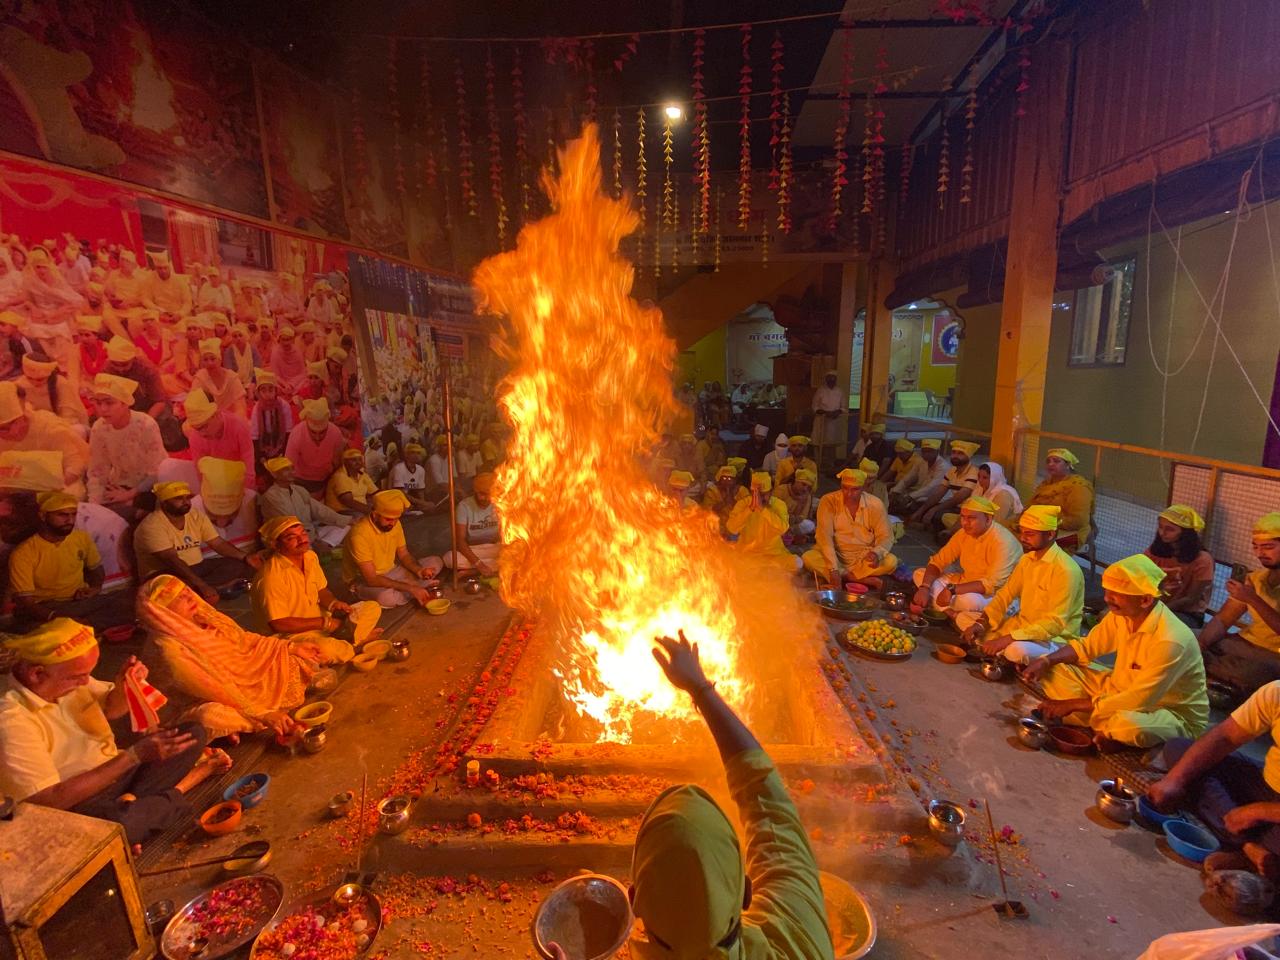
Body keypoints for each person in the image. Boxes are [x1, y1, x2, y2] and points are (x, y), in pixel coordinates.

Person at [621, 631, 832, 960]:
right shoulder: (799, 937)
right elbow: (767, 801)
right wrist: (700, 688)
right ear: (746, 892)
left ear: (634, 901)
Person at [0, 619, 225, 849]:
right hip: (79, 802)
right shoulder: (10, 719)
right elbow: (48, 801)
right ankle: (178, 791)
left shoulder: (66, 678)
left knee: (192, 733)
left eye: (88, 673)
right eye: (77, 676)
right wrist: (133, 756)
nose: (86, 681)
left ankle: (138, 804)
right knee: (119, 823)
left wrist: (124, 685)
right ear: (37, 674)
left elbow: (111, 709)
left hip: (118, 772)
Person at [1022, 554, 1208, 751]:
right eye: (1107, 592)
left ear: (1145, 600)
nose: (1106, 599)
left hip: (1166, 713)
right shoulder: (1121, 615)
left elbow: (1139, 700)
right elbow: (1086, 647)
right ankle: (1101, 725)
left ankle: (1104, 725)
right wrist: (1046, 661)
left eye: (1115, 594)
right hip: (1116, 690)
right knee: (1055, 671)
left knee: (1127, 725)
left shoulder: (1171, 640)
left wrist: (1072, 704)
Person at [136, 576, 320, 743]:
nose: (191, 597)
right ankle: (250, 722)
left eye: (187, 591)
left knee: (295, 659)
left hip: (241, 681)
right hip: (206, 698)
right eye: (179, 598)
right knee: (210, 717)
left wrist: (289, 647)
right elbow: (214, 688)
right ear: (162, 612)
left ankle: (243, 727)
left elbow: (244, 639)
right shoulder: (168, 650)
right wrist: (262, 713)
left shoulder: (204, 616)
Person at [1148, 681, 1280, 878]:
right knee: (1180, 750)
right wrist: (1173, 780)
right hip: (1266, 783)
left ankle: (1242, 843)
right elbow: (1225, 737)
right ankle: (1250, 847)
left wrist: (1257, 811)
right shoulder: (1277, 692)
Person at [963, 505, 1085, 664]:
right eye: (1022, 532)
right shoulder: (1027, 559)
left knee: (1017, 651)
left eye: (1030, 534)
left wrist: (1007, 639)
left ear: (1050, 534)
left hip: (1053, 639)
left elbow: (1054, 624)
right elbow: (1006, 594)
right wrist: (981, 622)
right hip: (1022, 628)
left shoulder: (1067, 570)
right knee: (966, 620)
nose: (1022, 538)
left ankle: (1010, 652)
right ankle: (1002, 650)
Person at [250, 516, 379, 653]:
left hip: (323, 624)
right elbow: (279, 624)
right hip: (292, 636)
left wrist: (334, 604)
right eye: (291, 538)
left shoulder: (310, 557)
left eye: (303, 533)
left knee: (372, 607)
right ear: (275, 544)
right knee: (326, 649)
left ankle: (348, 639)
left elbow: (321, 590)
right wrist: (324, 623)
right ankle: (355, 642)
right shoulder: (271, 577)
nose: (302, 540)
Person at [133, 481, 260, 602]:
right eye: (178, 499)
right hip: (166, 573)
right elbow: (171, 559)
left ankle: (199, 592)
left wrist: (246, 557)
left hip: (197, 568)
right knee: (169, 585)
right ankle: (208, 590)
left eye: (187, 498)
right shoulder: (152, 525)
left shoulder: (195, 515)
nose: (185, 502)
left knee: (238, 564)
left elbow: (217, 543)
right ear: (164, 503)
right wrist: (201, 585)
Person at [1200, 512, 1280, 697]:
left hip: (1273, 654)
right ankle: (1221, 682)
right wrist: (1200, 644)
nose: (1260, 553)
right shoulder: (1255, 579)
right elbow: (1223, 619)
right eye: (1256, 547)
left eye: (1268, 547)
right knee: (1185, 643)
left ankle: (1215, 678)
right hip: (1245, 643)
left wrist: (1252, 598)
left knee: (1259, 673)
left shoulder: (1251, 590)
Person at [911, 496, 1021, 630]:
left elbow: (991, 584)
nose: (965, 523)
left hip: (994, 596)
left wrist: (951, 590)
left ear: (988, 519)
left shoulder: (1003, 542)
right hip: (964, 583)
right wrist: (925, 588)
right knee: (920, 574)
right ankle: (950, 613)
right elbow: (938, 561)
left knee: (968, 601)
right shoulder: (964, 533)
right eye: (963, 517)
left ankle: (943, 609)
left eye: (971, 518)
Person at [343, 490, 444, 607]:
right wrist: (410, 588)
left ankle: (414, 588)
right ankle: (416, 588)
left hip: (393, 572)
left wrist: (419, 570)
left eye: (396, 519)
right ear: (375, 515)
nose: (393, 523)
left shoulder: (394, 524)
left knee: (435, 561)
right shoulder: (359, 535)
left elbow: (404, 555)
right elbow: (372, 579)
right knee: (386, 598)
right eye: (388, 519)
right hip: (365, 581)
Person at [802, 468, 898, 588]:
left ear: (863, 488)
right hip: (835, 555)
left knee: (891, 561)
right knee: (808, 557)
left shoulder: (875, 504)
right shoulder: (828, 501)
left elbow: (886, 536)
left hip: (862, 557)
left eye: (855, 489)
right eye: (845, 488)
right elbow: (825, 536)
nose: (849, 493)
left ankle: (844, 577)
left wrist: (876, 554)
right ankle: (857, 579)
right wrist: (833, 569)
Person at [86, 373, 165, 518]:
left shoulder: (146, 425)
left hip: (150, 484)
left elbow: (157, 470)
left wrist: (129, 495)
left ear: (125, 403)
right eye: (98, 403)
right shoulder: (99, 428)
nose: (103, 409)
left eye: (109, 403)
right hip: (119, 484)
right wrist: (94, 506)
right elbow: (97, 469)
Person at [0, 381, 90, 499]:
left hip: (58, 486)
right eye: (2, 429)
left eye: (10, 426)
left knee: (70, 496)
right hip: (12, 490)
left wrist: (51, 489)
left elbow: (75, 465)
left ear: (21, 416)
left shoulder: (48, 426)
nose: (9, 432)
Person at [1144, 505, 1214, 629]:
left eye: (1170, 529)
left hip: (1186, 613)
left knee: (1153, 627)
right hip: (1153, 605)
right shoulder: (1154, 551)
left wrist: (1156, 612)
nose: (1162, 533)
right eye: (1160, 527)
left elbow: (1191, 598)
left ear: (1186, 533)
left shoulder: (1203, 559)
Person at [260, 457, 352, 549]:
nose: (292, 472)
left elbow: (320, 510)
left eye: (292, 469)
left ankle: (322, 545)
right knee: (299, 545)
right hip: (287, 538)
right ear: (274, 474)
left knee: (344, 526)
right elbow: (288, 525)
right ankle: (317, 546)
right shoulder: (271, 496)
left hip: (309, 533)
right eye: (286, 470)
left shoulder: (298, 490)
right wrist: (310, 538)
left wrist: (348, 521)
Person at [1023, 447, 1093, 554]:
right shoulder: (1046, 484)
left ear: (1068, 465)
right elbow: (1032, 506)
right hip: (1040, 526)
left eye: (1056, 461)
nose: (1050, 464)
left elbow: (1078, 520)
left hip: (1068, 531)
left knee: (1027, 542)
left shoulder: (1079, 487)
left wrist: (1045, 522)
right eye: (1048, 461)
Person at [726, 473, 798, 573]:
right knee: (729, 564)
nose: (760, 498)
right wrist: (750, 509)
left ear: (771, 492)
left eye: (764, 495)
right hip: (748, 555)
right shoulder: (743, 504)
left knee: (797, 563)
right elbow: (732, 528)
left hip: (774, 554)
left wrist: (762, 509)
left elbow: (783, 529)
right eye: (757, 494)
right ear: (752, 492)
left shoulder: (779, 505)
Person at [183, 390, 255, 489]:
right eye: (197, 428)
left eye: (205, 426)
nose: (202, 433)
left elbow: (249, 472)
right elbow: (201, 474)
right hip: (215, 486)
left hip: (240, 484)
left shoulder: (239, 426)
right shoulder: (195, 437)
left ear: (216, 414)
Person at [909, 440, 980, 528]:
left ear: (969, 456)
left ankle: (934, 528)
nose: (955, 456)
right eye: (954, 452)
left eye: (960, 453)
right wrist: (921, 510)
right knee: (919, 505)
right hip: (953, 506)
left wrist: (934, 509)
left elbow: (958, 498)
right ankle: (928, 525)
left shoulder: (974, 472)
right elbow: (938, 493)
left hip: (964, 508)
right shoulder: (952, 470)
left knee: (938, 515)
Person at [284, 398, 345, 494]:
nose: (317, 437)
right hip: (299, 481)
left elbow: (338, 461)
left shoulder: (336, 433)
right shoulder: (297, 434)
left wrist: (330, 471)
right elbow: (287, 467)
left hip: (325, 481)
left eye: (322, 433)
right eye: (313, 432)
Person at [445, 473, 501, 575]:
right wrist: (478, 564)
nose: (486, 498)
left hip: (493, 548)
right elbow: (460, 540)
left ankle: (472, 571)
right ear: (475, 491)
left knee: (519, 553)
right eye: (482, 494)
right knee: (450, 558)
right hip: (472, 550)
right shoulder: (464, 506)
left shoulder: (499, 503)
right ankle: (490, 568)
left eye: (489, 494)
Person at [17, 352, 84, 426]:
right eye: (29, 378)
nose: (34, 383)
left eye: (40, 379)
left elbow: (69, 415)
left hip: (62, 427)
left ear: (48, 375)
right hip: (34, 428)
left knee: (78, 430)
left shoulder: (60, 383)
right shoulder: (19, 385)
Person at [888, 438, 945, 515]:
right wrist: (896, 491)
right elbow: (908, 479)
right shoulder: (920, 461)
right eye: (924, 451)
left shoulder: (943, 466)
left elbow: (931, 488)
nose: (926, 454)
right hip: (919, 496)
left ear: (937, 452)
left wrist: (910, 497)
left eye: (930, 451)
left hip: (936, 499)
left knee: (904, 507)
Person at [249, 368, 292, 471]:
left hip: (280, 442)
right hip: (263, 444)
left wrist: (282, 451)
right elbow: (254, 436)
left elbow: (288, 431)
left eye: (270, 390)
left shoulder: (284, 406)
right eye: (263, 390)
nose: (267, 394)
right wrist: (261, 456)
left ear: (276, 391)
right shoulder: (257, 409)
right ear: (258, 392)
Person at [325, 449, 378, 517]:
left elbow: (376, 493)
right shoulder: (340, 476)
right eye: (353, 460)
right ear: (345, 462)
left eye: (360, 459)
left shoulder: (362, 474)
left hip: (358, 508)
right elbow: (348, 501)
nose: (358, 462)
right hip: (341, 511)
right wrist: (371, 511)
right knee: (364, 517)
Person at [810, 370, 844, 464]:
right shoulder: (820, 390)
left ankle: (831, 463)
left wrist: (836, 412)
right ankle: (818, 463)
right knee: (817, 442)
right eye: (829, 378)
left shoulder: (839, 391)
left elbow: (843, 407)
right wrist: (825, 413)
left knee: (831, 443)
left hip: (834, 422)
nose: (831, 380)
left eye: (833, 378)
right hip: (821, 420)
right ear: (826, 379)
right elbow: (814, 406)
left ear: (836, 379)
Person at [391, 442, 434, 513]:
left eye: (418, 453)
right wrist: (421, 503)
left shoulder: (421, 469)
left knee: (430, 506)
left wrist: (423, 504)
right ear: (406, 455)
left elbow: (420, 491)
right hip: (399, 498)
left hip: (412, 500)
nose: (416, 455)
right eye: (413, 452)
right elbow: (400, 492)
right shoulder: (399, 468)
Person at [777, 467, 817, 539]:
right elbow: (773, 512)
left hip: (793, 524)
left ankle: (789, 533)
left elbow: (803, 516)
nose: (805, 489)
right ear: (796, 481)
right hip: (779, 522)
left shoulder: (807, 496)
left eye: (808, 487)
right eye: (803, 484)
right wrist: (788, 518)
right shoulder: (781, 490)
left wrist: (797, 519)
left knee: (809, 525)